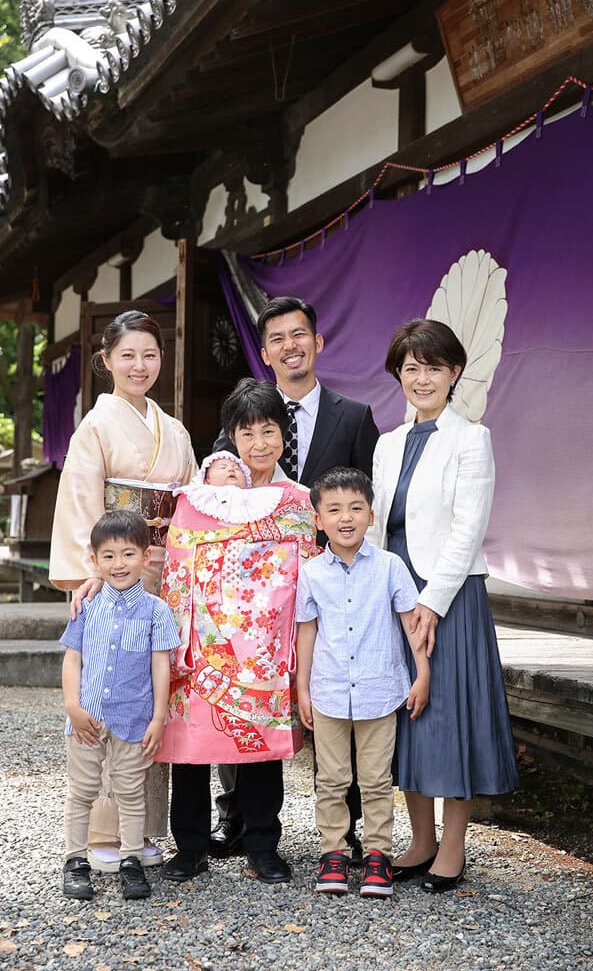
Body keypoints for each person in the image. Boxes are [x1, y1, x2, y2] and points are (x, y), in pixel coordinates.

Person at [212, 296, 379, 863]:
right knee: (247, 695)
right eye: (277, 338)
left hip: (332, 589)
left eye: (299, 334)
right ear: (264, 352)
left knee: (339, 697)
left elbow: (362, 502)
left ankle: (346, 827)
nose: (290, 345)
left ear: (318, 342)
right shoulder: (245, 415)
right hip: (257, 598)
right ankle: (237, 819)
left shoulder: (353, 417)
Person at [369, 318, 518, 894]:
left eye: (434, 367)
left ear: (454, 373)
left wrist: (431, 601)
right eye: (411, 367)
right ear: (399, 375)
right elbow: (379, 527)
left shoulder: (471, 437)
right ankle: (420, 839)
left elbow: (467, 529)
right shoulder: (387, 443)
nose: (422, 377)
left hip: (450, 598)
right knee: (408, 720)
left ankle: (452, 847)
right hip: (397, 595)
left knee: (449, 717)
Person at [49, 309, 197, 864]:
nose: (140, 365)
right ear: (106, 360)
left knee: (152, 693)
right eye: (128, 355)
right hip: (110, 572)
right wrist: (92, 572)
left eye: (150, 354)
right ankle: (103, 833)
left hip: (162, 571)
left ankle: (143, 828)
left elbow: (190, 501)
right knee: (109, 687)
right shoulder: (96, 425)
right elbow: (83, 503)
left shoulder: (174, 429)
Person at [160, 379, 317, 885]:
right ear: (232, 436)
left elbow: (308, 574)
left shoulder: (296, 501)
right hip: (203, 648)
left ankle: (262, 845)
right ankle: (189, 846)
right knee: (190, 748)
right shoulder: (199, 500)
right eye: (247, 432)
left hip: (269, 650)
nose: (259, 444)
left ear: (283, 434)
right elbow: (178, 571)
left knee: (262, 749)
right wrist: (180, 644)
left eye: (269, 430)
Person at [295, 467, 429, 898]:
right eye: (333, 510)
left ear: (371, 515)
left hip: (380, 689)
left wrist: (422, 672)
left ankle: (377, 857)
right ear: (318, 519)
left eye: (356, 508)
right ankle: (333, 852)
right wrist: (302, 687)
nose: (345, 517)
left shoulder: (390, 567)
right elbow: (308, 630)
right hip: (329, 691)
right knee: (331, 780)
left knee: (375, 781)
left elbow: (412, 623)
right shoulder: (312, 573)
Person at [60, 510, 180, 901]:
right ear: (94, 562)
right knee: (83, 790)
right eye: (108, 556)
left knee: (131, 791)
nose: (119, 564)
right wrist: (72, 706)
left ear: (146, 556)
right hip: (87, 717)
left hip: (134, 717)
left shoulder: (156, 610)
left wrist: (159, 716)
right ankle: (75, 860)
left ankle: (131, 860)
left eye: (128, 554)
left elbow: (160, 665)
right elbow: (72, 659)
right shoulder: (85, 606)